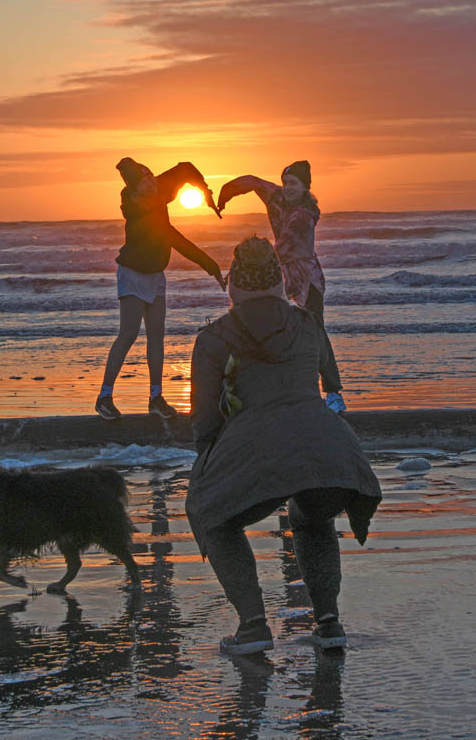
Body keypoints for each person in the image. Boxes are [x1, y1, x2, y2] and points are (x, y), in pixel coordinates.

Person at [185, 235, 381, 655]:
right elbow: (332, 385)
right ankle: (328, 623)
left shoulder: (214, 337)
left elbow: (202, 421)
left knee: (212, 515)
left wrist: (210, 463)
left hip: (255, 443)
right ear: (278, 281)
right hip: (329, 444)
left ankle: (254, 626)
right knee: (312, 516)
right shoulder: (308, 323)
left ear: (233, 286)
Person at [95, 157, 225, 421]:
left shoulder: (157, 192)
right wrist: (171, 190)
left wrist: (205, 192)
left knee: (157, 336)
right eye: (144, 181)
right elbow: (156, 205)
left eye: (152, 176)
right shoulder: (134, 206)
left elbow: (187, 167)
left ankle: (156, 397)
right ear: (134, 188)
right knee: (128, 334)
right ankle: (104, 397)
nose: (152, 182)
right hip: (132, 273)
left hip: (156, 275)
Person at [217, 160, 345, 413]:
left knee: (315, 330)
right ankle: (247, 383)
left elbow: (283, 246)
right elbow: (252, 181)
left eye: (294, 184)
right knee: (258, 319)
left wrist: (248, 264)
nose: (287, 188)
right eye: (286, 183)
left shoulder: (304, 215)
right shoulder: (276, 196)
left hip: (306, 277)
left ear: (305, 187)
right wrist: (225, 194)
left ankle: (333, 393)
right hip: (281, 272)